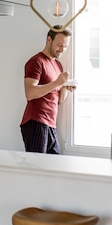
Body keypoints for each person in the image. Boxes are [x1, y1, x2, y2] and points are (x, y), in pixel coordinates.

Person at [20, 25, 76, 154]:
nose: (62, 50)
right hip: (36, 122)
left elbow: (59, 100)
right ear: (49, 40)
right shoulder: (36, 62)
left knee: (52, 167)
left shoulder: (57, 65)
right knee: (37, 169)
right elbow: (30, 93)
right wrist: (57, 82)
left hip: (51, 124)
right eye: (59, 45)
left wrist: (65, 87)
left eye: (65, 46)